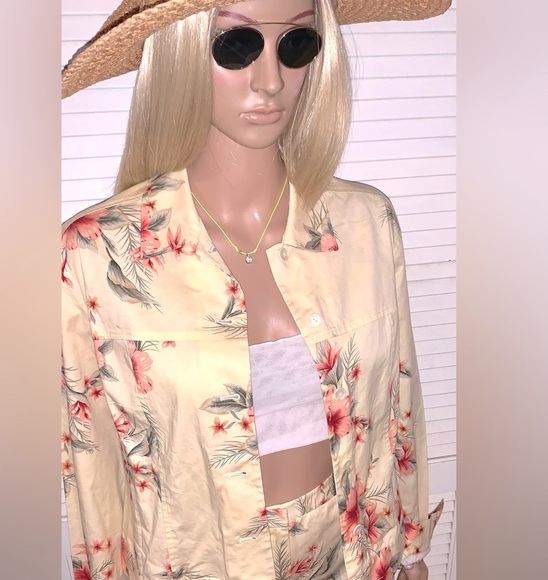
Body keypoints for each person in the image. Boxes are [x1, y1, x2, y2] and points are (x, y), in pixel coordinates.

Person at [61, 0, 451, 578]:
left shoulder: (366, 224)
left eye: (296, 44)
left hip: (352, 556)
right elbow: (91, 465)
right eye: (236, 45)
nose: (270, 80)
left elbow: (399, 401)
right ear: (179, 52)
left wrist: (409, 547)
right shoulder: (96, 255)